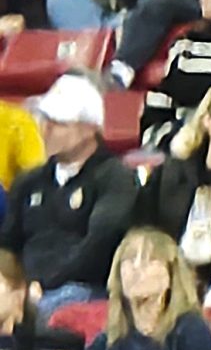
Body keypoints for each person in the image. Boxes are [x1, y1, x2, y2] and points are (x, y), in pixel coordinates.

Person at [1, 76, 138, 302]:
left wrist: (43, 284)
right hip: (27, 291)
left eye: (60, 123)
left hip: (84, 289)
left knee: (64, 299)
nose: (46, 130)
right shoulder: (29, 181)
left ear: (89, 129)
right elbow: (7, 244)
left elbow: (97, 248)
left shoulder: (115, 178)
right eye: (46, 120)